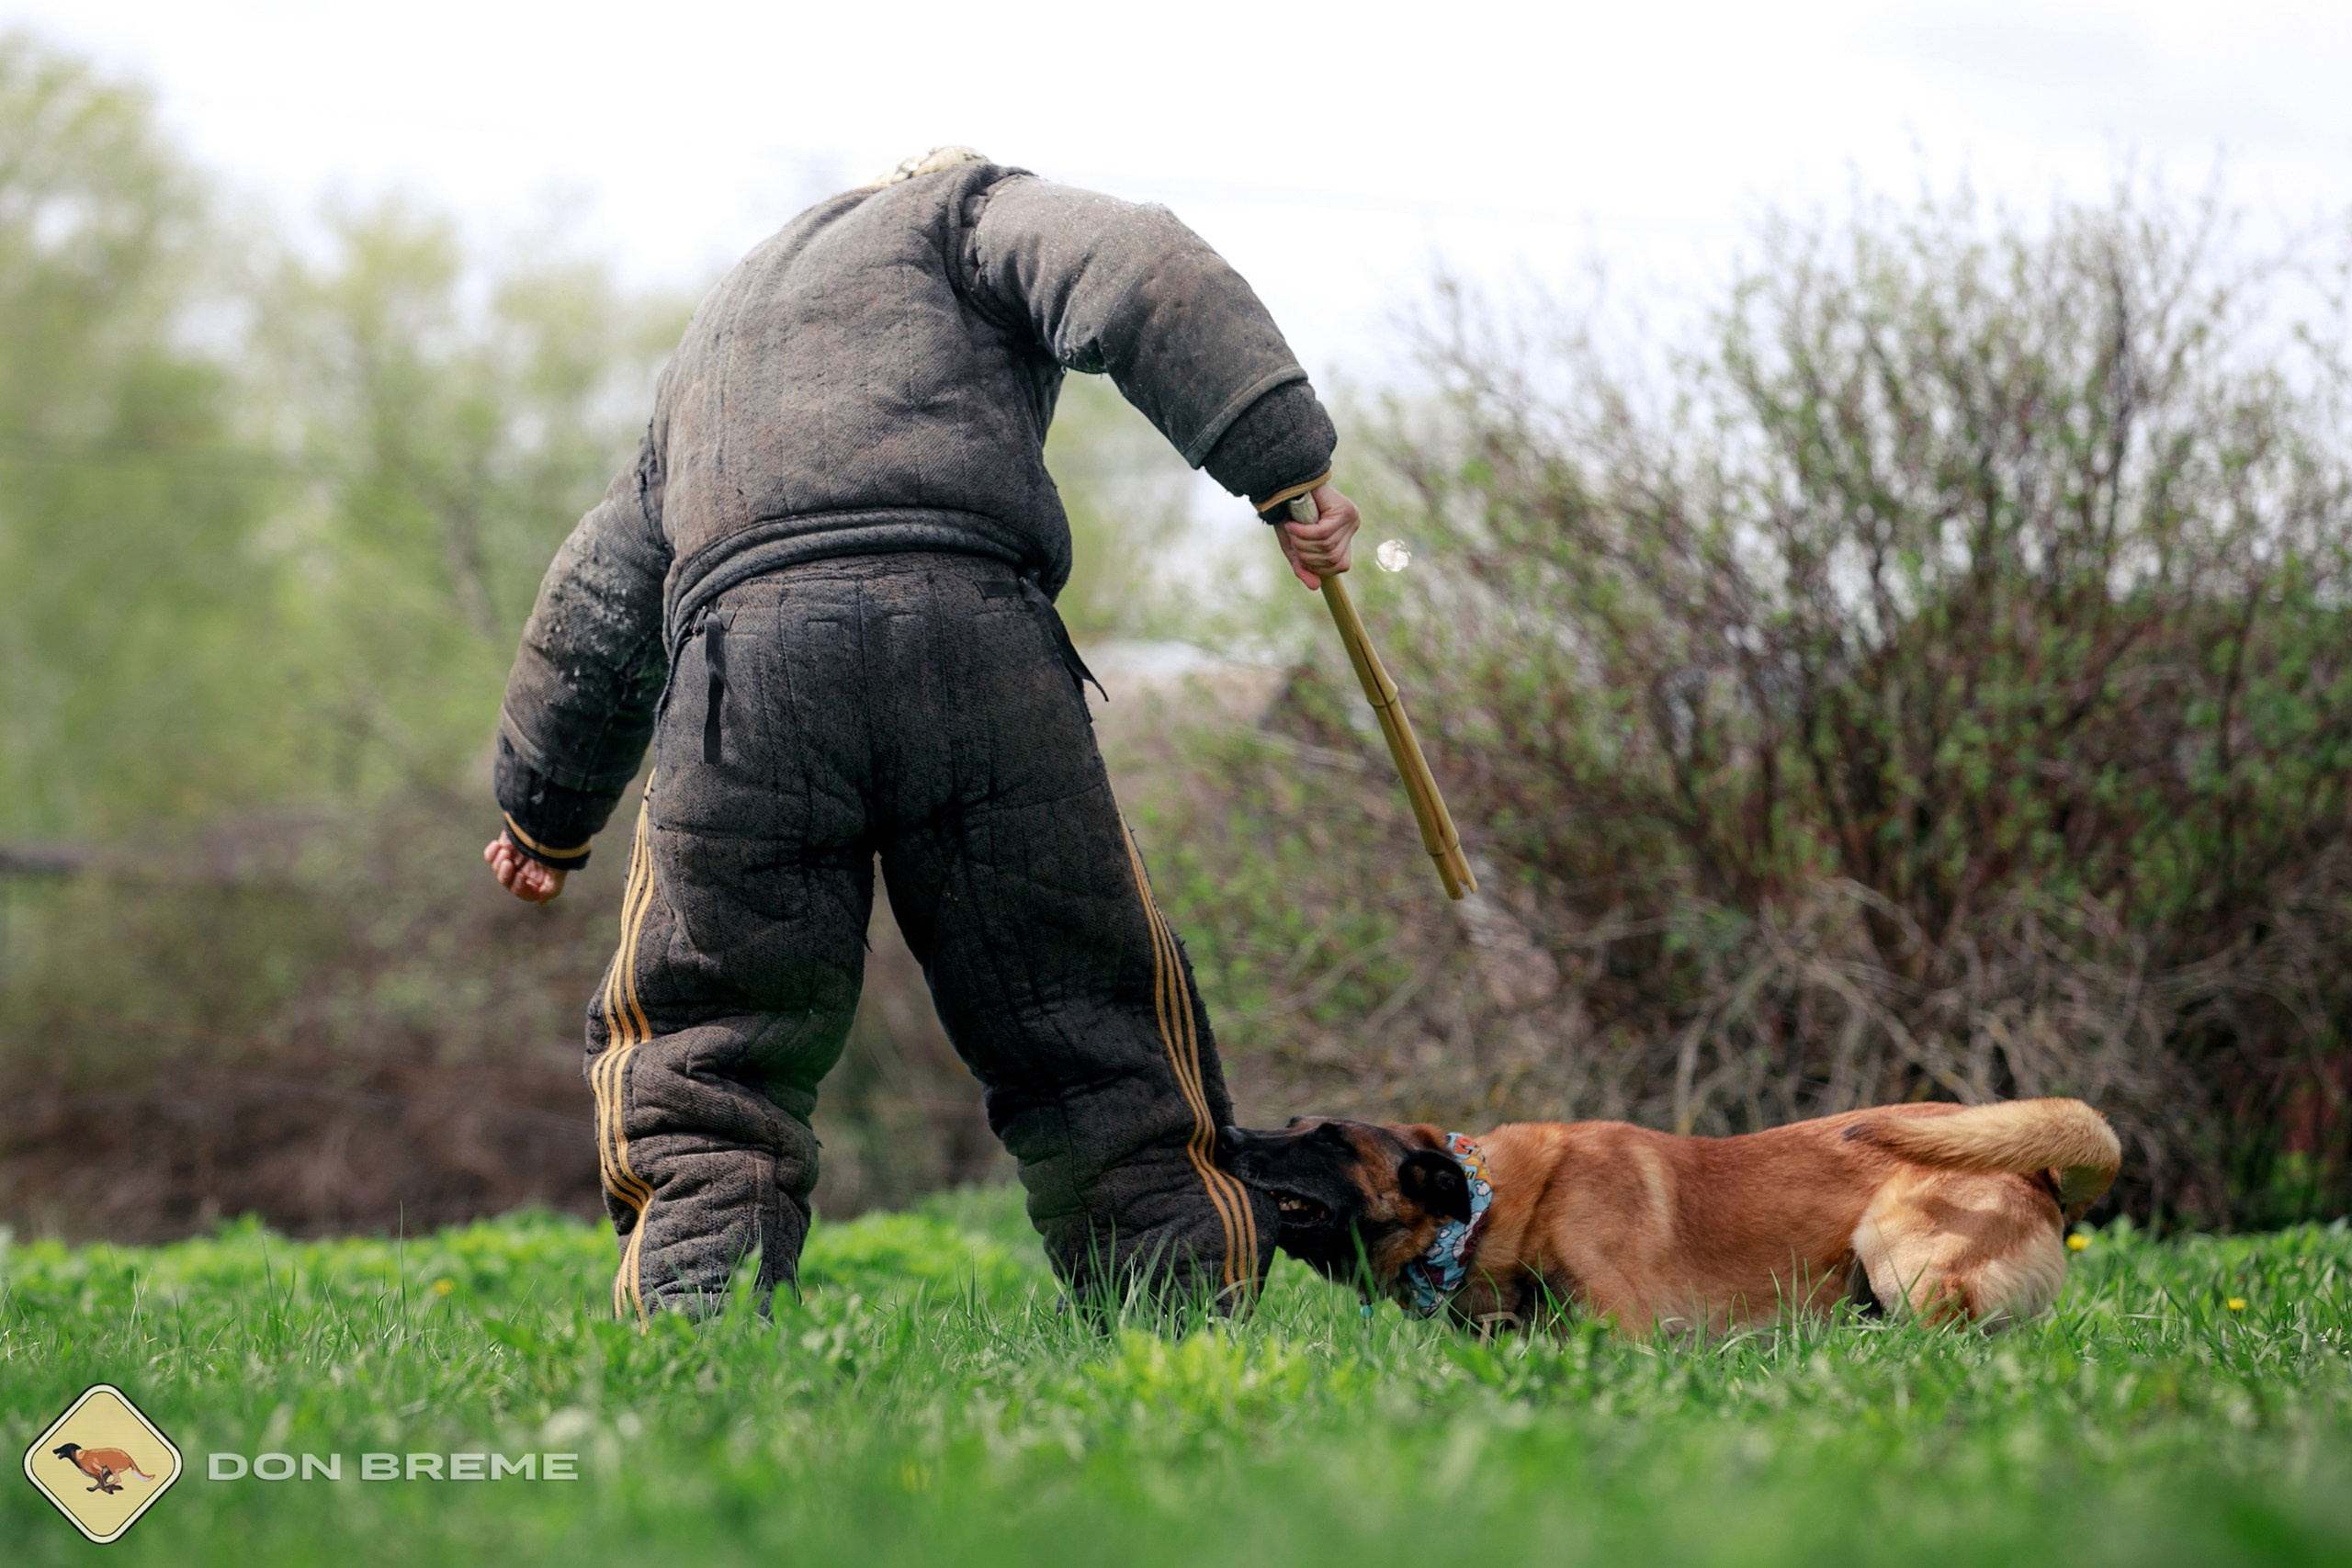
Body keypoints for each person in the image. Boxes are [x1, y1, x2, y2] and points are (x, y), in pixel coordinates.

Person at [481, 147, 1360, 1321]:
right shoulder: (969, 212)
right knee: (1082, 1015)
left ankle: (697, 1322)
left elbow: (604, 576)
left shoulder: (718, 338)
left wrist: (541, 809)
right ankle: (1181, 1323)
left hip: (746, 680)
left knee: (706, 1036)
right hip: (973, 647)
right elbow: (1139, 265)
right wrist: (1285, 468)